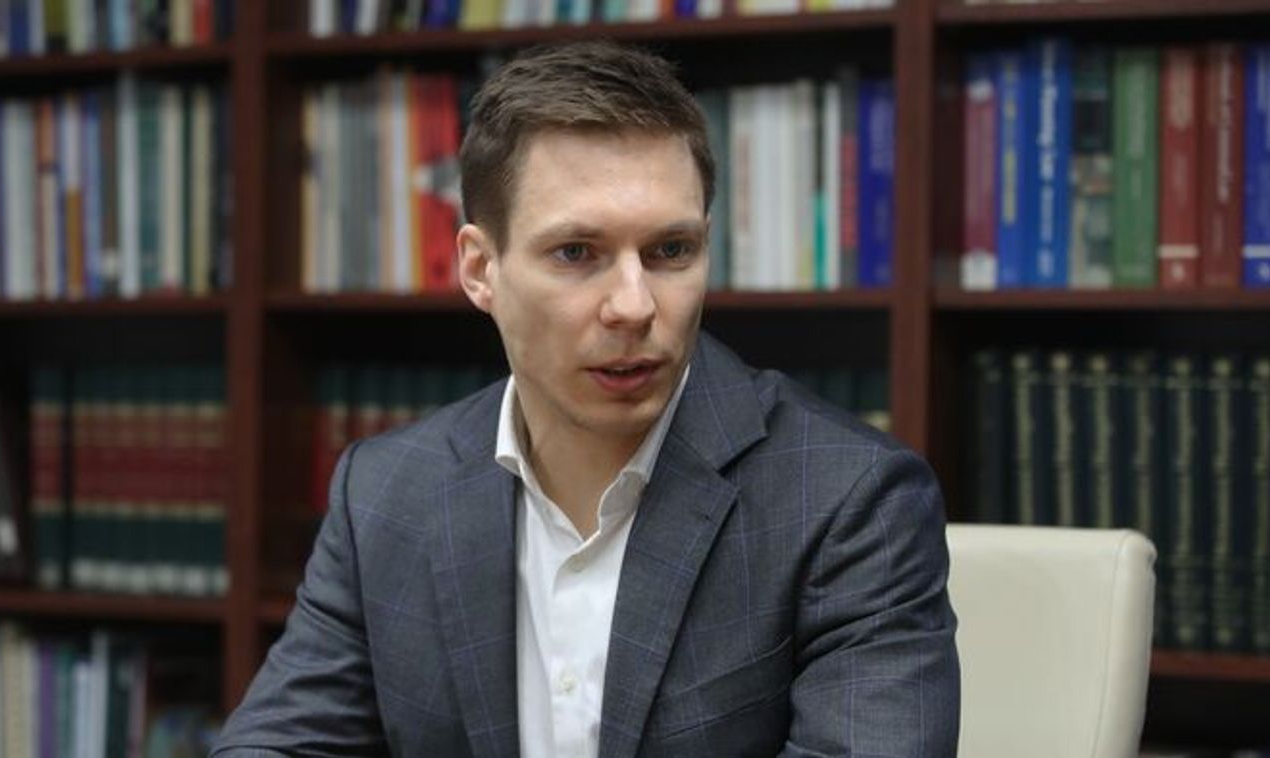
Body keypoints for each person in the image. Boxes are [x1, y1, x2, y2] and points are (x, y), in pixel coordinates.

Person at [213, 40, 959, 758]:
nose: (634, 305)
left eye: (670, 251)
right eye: (576, 253)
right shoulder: (384, 493)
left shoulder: (849, 502)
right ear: (479, 269)